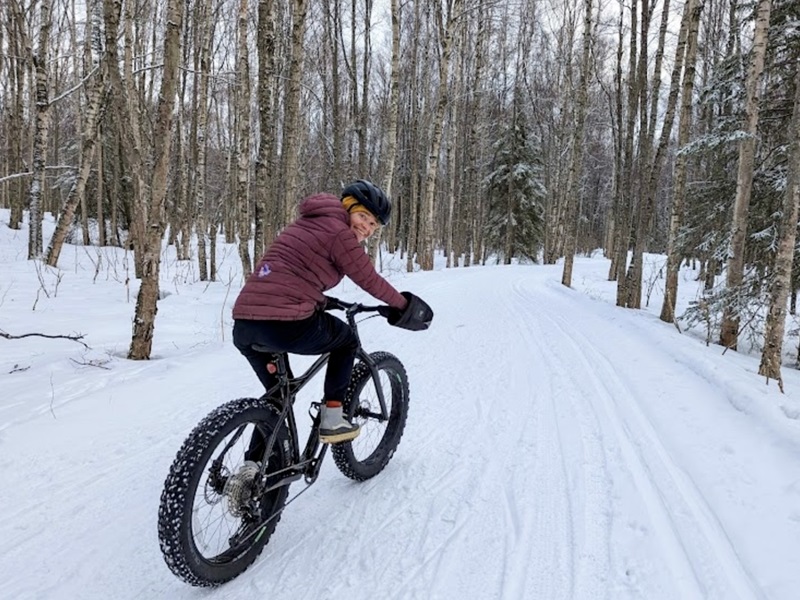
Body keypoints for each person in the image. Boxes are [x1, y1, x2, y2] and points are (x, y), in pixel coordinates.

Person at [232, 180, 410, 444]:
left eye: (374, 224)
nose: (367, 228)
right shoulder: (340, 233)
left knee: (278, 398)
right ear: (348, 207)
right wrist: (404, 306)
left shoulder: (305, 224)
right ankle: (333, 418)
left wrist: (320, 300)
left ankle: (254, 471)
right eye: (363, 216)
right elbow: (369, 279)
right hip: (285, 325)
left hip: (245, 324)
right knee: (346, 341)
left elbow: (287, 272)